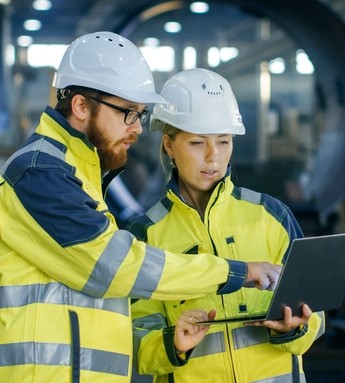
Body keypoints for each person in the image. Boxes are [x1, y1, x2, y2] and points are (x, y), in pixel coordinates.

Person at [0, 32, 281, 383]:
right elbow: (114, 266)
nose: (136, 129)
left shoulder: (79, 174)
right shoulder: (40, 172)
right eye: (129, 113)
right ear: (81, 106)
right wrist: (233, 272)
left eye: (141, 116)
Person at [130, 68, 325, 383]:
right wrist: (174, 344)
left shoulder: (272, 216)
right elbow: (137, 340)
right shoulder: (146, 236)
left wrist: (297, 326)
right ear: (169, 145)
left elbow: (315, 312)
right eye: (197, 143)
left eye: (223, 141)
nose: (213, 157)